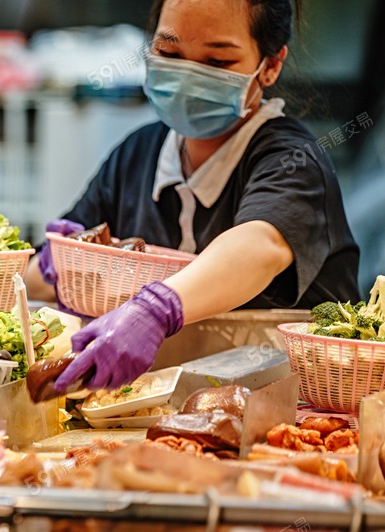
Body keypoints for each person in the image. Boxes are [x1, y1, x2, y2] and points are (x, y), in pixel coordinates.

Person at [25, 0, 360, 393]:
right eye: (169, 53)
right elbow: (31, 280)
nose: (188, 76)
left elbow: (260, 246)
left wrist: (156, 311)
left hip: (295, 414)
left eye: (217, 62)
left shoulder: (294, 160)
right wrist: (58, 264)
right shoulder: (137, 155)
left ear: (270, 65)